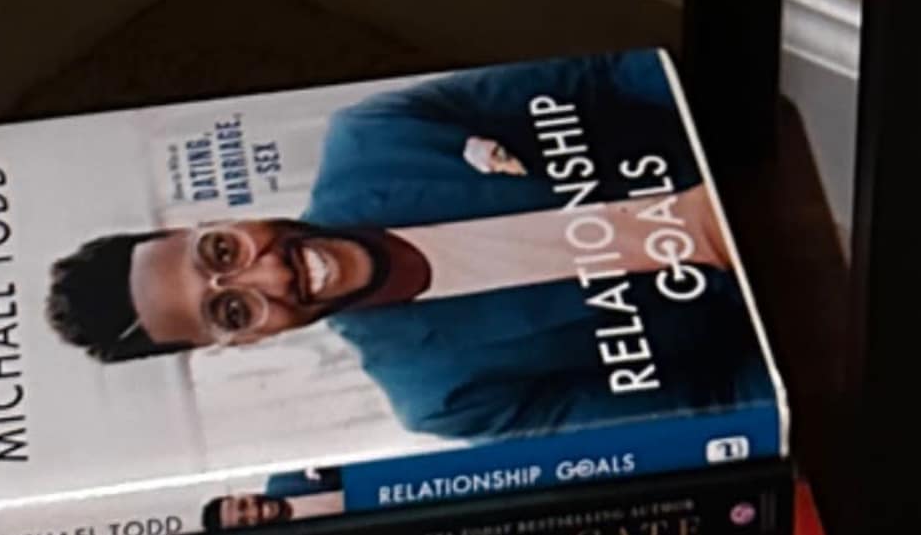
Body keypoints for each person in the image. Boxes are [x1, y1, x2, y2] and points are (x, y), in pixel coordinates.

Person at [42, 55, 759, 446]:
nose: (273, 273)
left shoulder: (375, 132)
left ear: (218, 218)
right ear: (242, 342)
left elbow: (613, 76)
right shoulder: (443, 398)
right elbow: (708, 409)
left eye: (223, 251)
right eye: (232, 309)